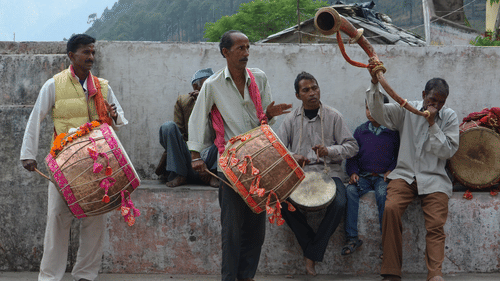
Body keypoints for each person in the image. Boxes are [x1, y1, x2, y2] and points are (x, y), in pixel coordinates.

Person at [20, 34, 128, 281]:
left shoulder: (103, 86)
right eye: (85, 53)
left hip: (98, 165)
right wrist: (28, 154)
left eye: (93, 53)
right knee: (58, 218)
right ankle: (49, 277)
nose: (91, 57)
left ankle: (85, 275)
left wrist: (114, 115)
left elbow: (120, 121)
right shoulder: (54, 84)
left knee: (95, 221)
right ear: (71, 56)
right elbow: (36, 117)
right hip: (63, 164)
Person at [187, 30, 292, 281]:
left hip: (259, 164)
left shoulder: (259, 77)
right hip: (231, 168)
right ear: (225, 52)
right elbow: (197, 118)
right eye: (240, 49)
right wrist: (195, 156)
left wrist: (270, 111)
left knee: (256, 232)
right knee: (232, 231)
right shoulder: (212, 85)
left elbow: (264, 118)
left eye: (247, 48)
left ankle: (247, 277)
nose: (246, 53)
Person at [367, 61, 459, 281]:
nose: (435, 105)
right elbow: (378, 113)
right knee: (390, 209)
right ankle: (391, 272)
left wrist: (432, 124)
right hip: (405, 176)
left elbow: (447, 151)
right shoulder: (406, 109)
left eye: (440, 102)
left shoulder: (450, 117)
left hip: (435, 179)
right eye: (432, 100)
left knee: (436, 223)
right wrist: (374, 83)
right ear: (423, 94)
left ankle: (435, 274)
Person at [277, 71, 359, 276]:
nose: (312, 93)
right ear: (298, 95)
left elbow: (352, 146)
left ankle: (311, 253)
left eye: (315, 88)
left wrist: (329, 151)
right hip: (301, 174)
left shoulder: (334, 116)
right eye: (306, 90)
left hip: (330, 173)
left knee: (340, 202)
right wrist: (292, 156)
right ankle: (312, 247)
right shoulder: (290, 120)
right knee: (281, 202)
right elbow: (276, 148)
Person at [342, 96, 400, 257]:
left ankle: (386, 241)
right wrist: (353, 173)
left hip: (383, 177)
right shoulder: (360, 132)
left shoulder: (393, 132)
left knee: (383, 195)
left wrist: (391, 171)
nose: (370, 112)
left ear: (386, 110)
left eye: (375, 108)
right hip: (364, 178)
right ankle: (352, 238)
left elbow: (398, 156)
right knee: (351, 192)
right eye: (368, 108)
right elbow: (352, 156)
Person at [156, 68, 219, 187]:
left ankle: (213, 174)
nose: (211, 89)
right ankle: (179, 174)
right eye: (207, 85)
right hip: (188, 158)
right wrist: (195, 158)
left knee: (230, 134)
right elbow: (179, 135)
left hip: (212, 157)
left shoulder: (219, 103)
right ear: (196, 87)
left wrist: (210, 106)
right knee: (168, 127)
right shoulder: (184, 101)